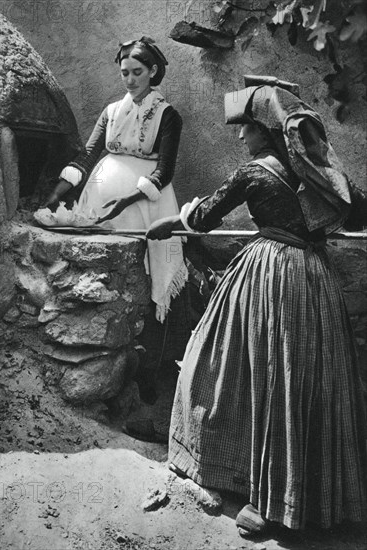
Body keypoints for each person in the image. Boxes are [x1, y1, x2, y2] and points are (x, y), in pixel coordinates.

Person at [146, 76, 367, 535]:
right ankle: (310, 494)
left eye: (244, 127)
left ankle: (271, 505)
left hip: (270, 276)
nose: (239, 135)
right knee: (302, 379)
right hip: (314, 278)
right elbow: (357, 208)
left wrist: (172, 220)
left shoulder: (255, 172)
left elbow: (206, 215)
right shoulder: (318, 174)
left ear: (265, 131)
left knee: (242, 369)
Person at [44, 37, 190, 405]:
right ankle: (113, 364)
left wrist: (127, 198)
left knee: (152, 280)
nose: (129, 80)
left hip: (147, 206)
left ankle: (150, 370)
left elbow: (164, 171)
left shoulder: (168, 115)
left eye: (137, 72)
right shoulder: (111, 112)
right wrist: (59, 191)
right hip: (102, 202)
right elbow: (87, 155)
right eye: (124, 73)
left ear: (153, 71)